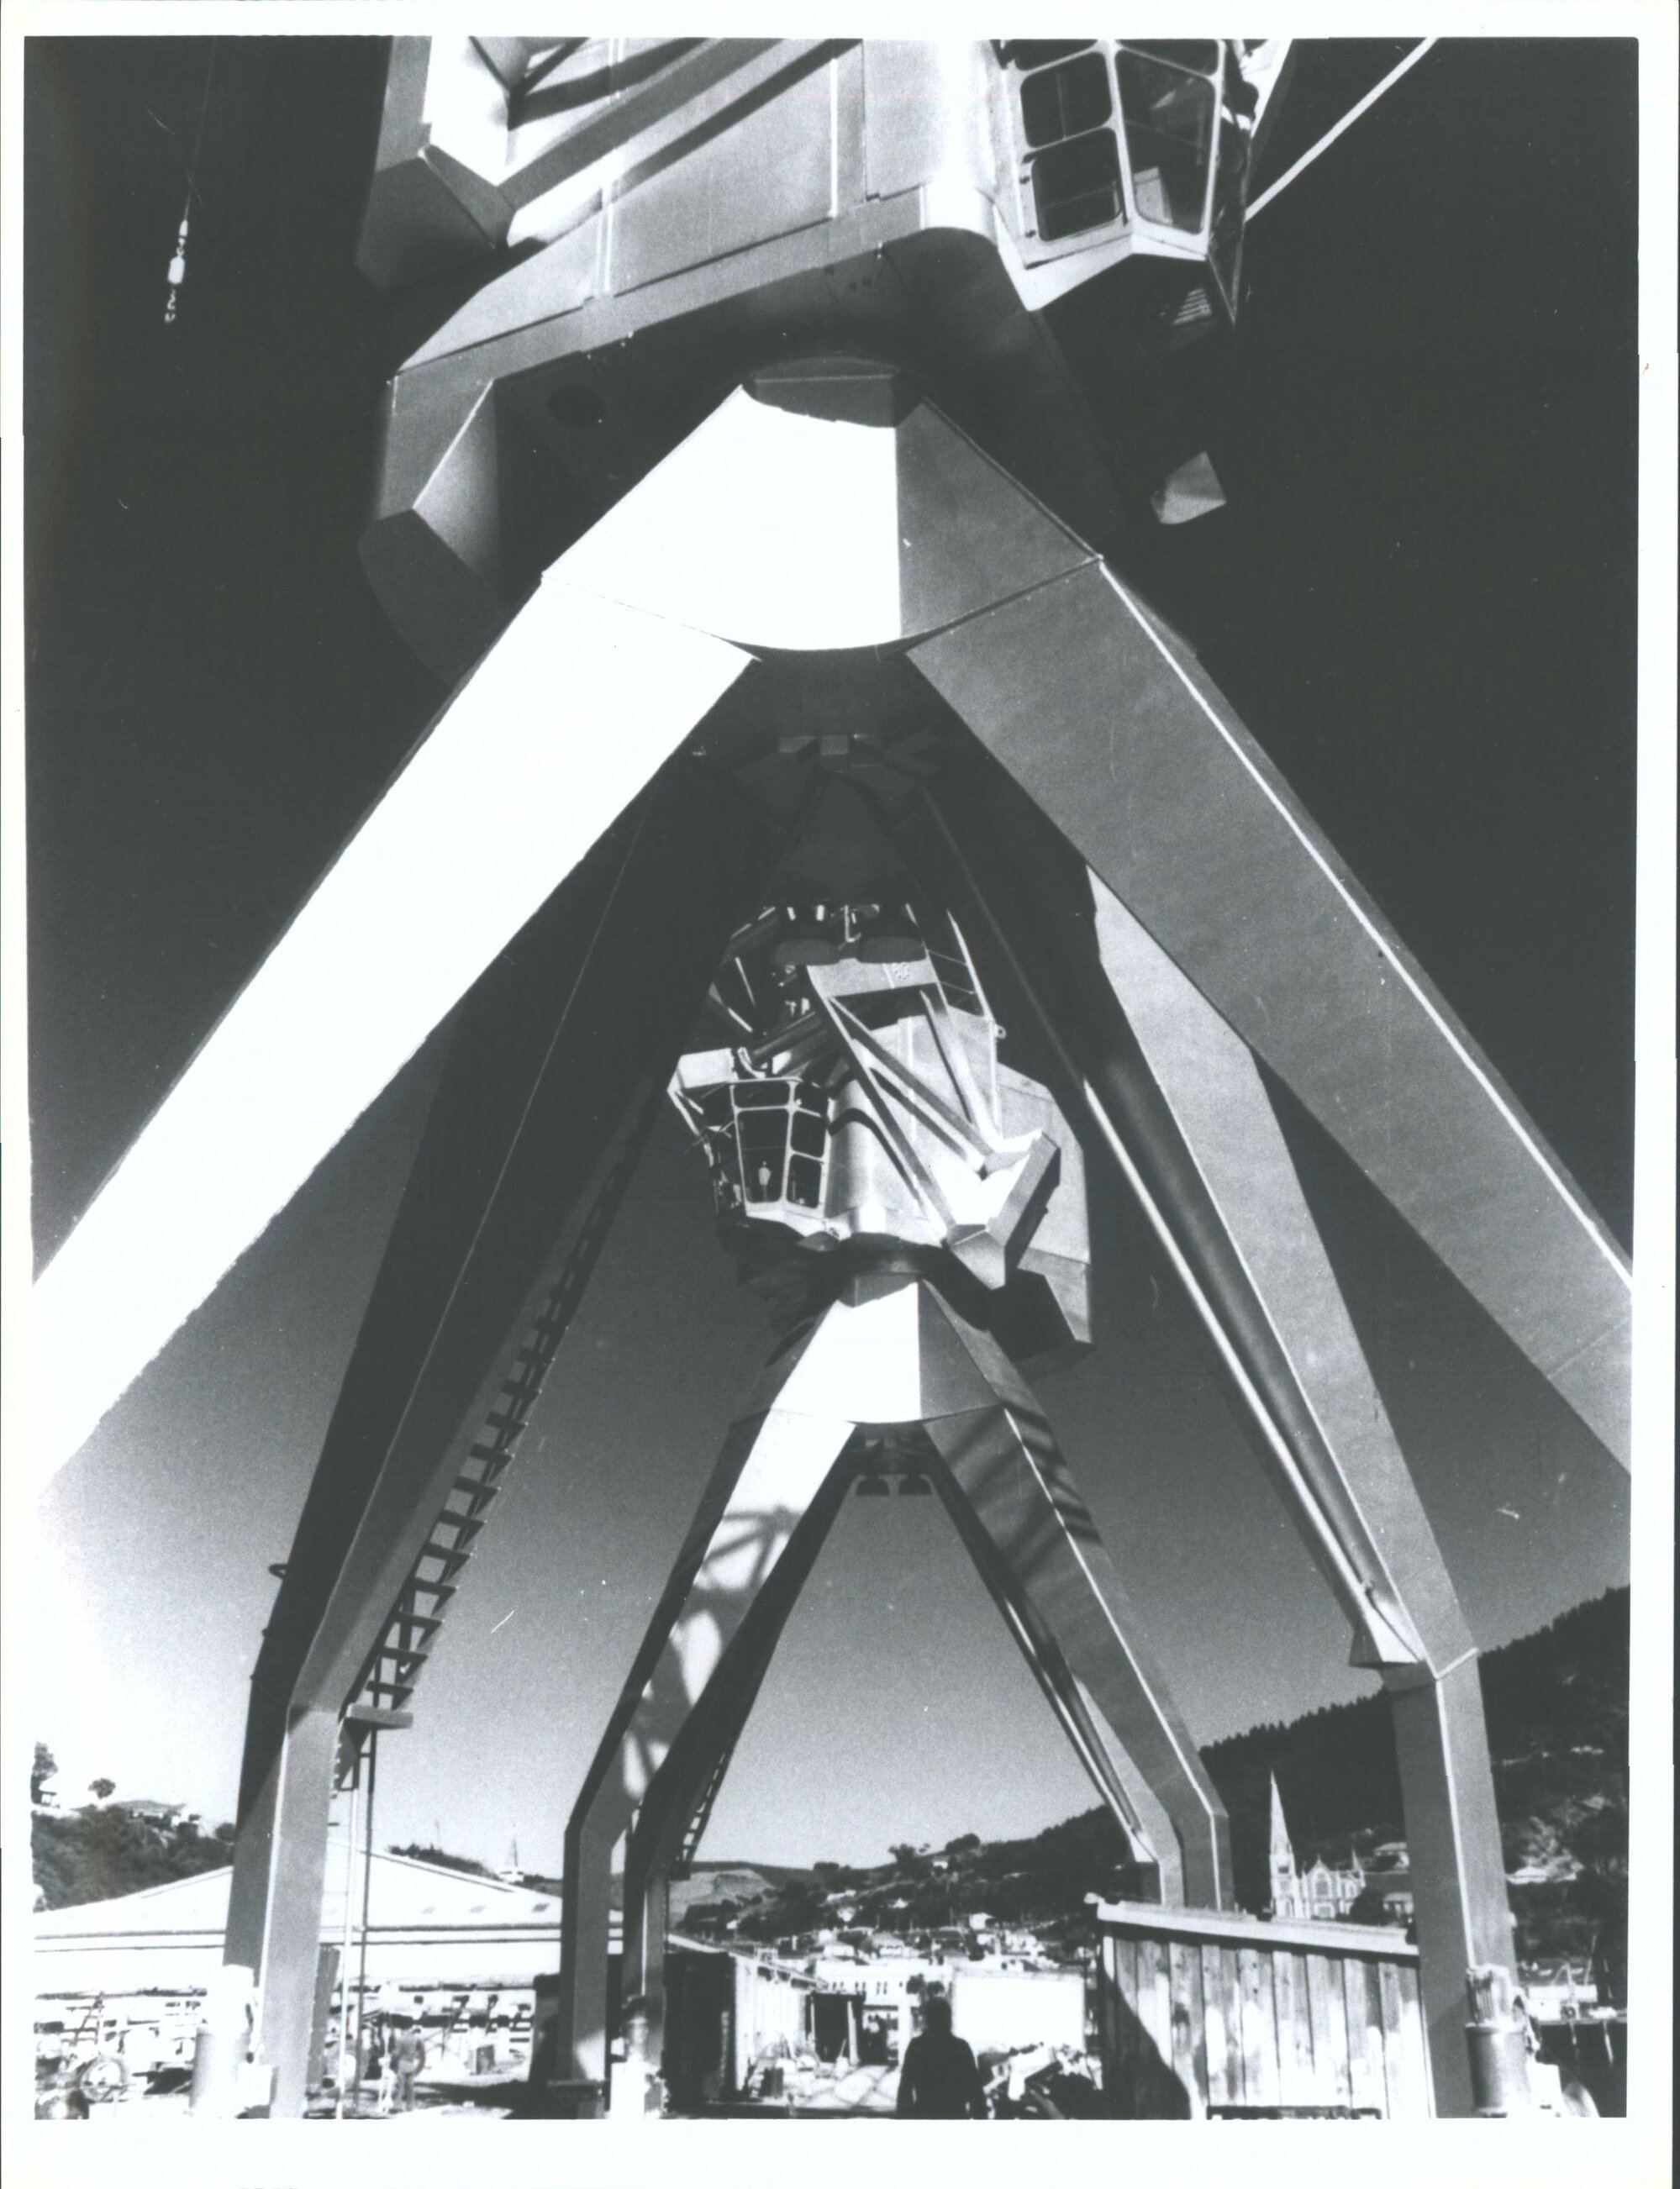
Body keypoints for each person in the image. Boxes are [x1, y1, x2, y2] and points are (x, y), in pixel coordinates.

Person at [894, 1993, 986, 2119]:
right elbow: (976, 2095)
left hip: (924, 2116)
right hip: (955, 2116)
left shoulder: (917, 2047)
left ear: (927, 2019)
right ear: (948, 2019)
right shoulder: (961, 2048)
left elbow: (905, 2092)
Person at [387, 2018, 425, 2113]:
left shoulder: (401, 2039)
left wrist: (392, 2053)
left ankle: (397, 2106)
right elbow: (420, 2052)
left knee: (400, 2087)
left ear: (402, 2028)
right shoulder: (416, 2039)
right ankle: (410, 2106)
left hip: (402, 2065)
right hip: (412, 2065)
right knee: (410, 2087)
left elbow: (397, 2054)